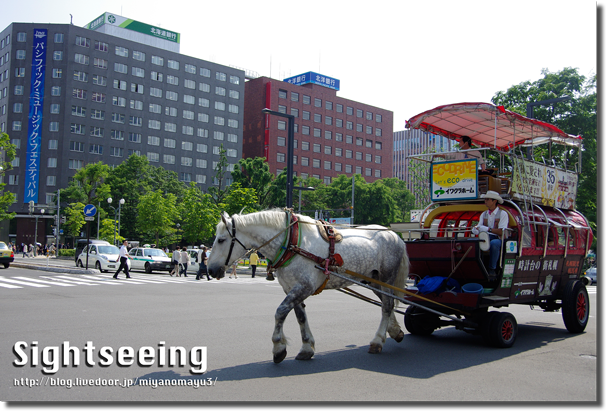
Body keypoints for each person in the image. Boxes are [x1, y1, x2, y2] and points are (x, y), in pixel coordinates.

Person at [472, 190, 509, 277]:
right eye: (485, 199)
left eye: (487, 199)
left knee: (494, 243)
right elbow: (479, 226)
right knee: (473, 242)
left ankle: (492, 269)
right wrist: (476, 229)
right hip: (486, 237)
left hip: (499, 239)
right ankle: (477, 266)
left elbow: (501, 231)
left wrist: (488, 229)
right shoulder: (484, 214)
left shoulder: (503, 214)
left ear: (494, 201)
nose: (485, 202)